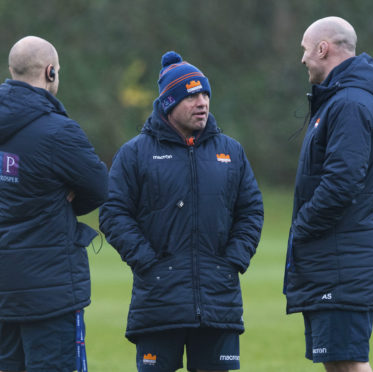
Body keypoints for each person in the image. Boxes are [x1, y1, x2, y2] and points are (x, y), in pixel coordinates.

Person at [100, 51, 264, 372]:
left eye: (205, 93)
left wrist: (233, 260)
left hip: (219, 301)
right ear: (168, 104)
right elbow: (113, 213)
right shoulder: (134, 154)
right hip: (158, 301)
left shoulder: (231, 151)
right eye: (191, 96)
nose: (202, 102)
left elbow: (251, 211)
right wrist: (147, 262)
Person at [0, 35, 108, 372]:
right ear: (50, 72)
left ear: (12, 70)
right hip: (49, 290)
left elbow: (5, 191)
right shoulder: (58, 131)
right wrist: (63, 204)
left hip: (0, 284)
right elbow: (99, 186)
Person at [283, 17, 373, 372]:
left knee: (349, 364)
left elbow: (342, 182)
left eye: (304, 49)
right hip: (331, 258)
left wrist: (303, 226)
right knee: (336, 363)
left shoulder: (350, 104)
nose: (302, 59)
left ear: (322, 48)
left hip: (342, 260)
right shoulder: (338, 101)